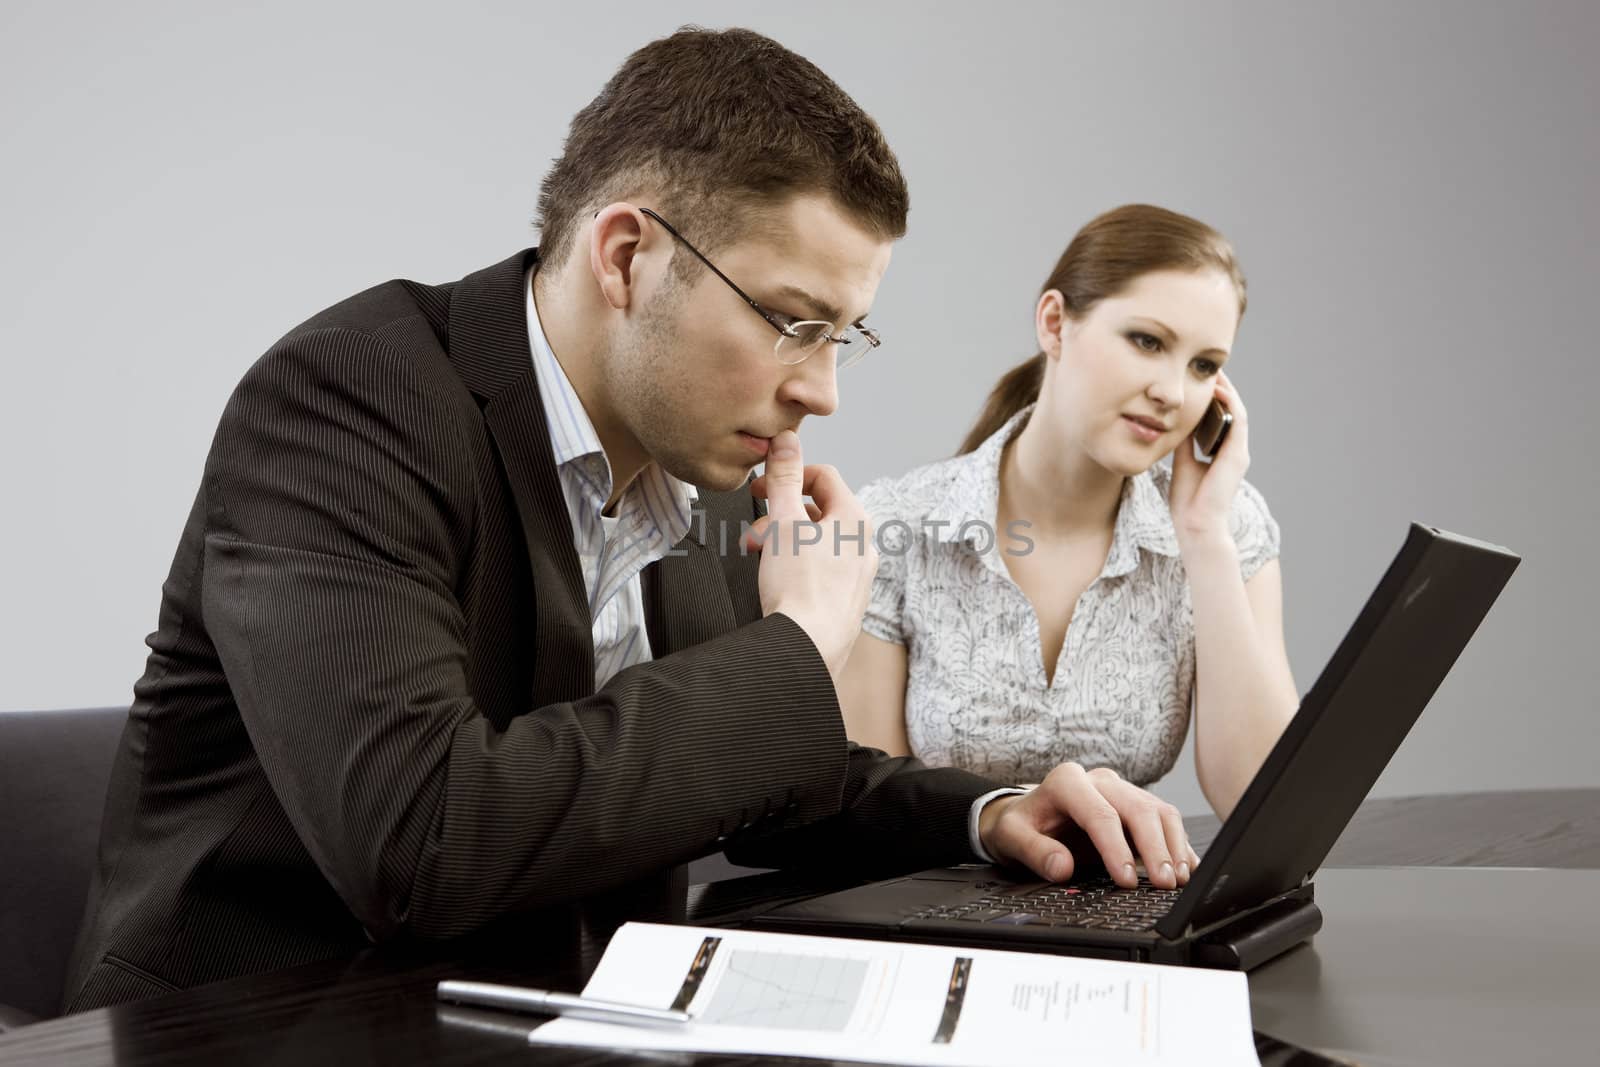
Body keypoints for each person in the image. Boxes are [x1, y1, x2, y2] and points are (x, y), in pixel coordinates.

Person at [64, 32, 1195, 1013]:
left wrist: (989, 813)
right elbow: (421, 842)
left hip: (553, 1013)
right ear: (626, 255)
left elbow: (741, 767)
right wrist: (798, 646)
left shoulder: (692, 450)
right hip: (268, 1023)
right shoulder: (345, 401)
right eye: (794, 323)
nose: (821, 390)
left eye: (843, 335)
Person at [840, 204, 1300, 823]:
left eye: (1204, 366)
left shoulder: (1227, 526)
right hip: (930, 899)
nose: (1172, 392)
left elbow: (1267, 809)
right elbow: (873, 809)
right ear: (1055, 324)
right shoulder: (894, 525)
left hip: (1127, 898)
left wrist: (1203, 537)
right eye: (1147, 341)